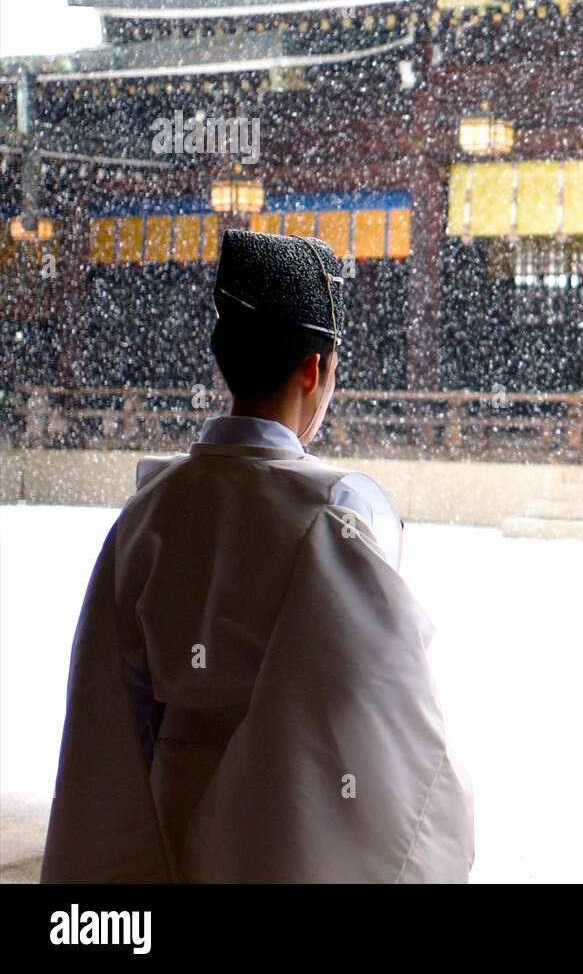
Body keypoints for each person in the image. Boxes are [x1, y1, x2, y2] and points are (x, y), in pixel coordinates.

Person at [41, 228, 473, 883]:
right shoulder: (331, 518)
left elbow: (103, 717)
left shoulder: (147, 515)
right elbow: (392, 723)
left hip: (160, 816)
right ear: (312, 369)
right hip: (288, 830)